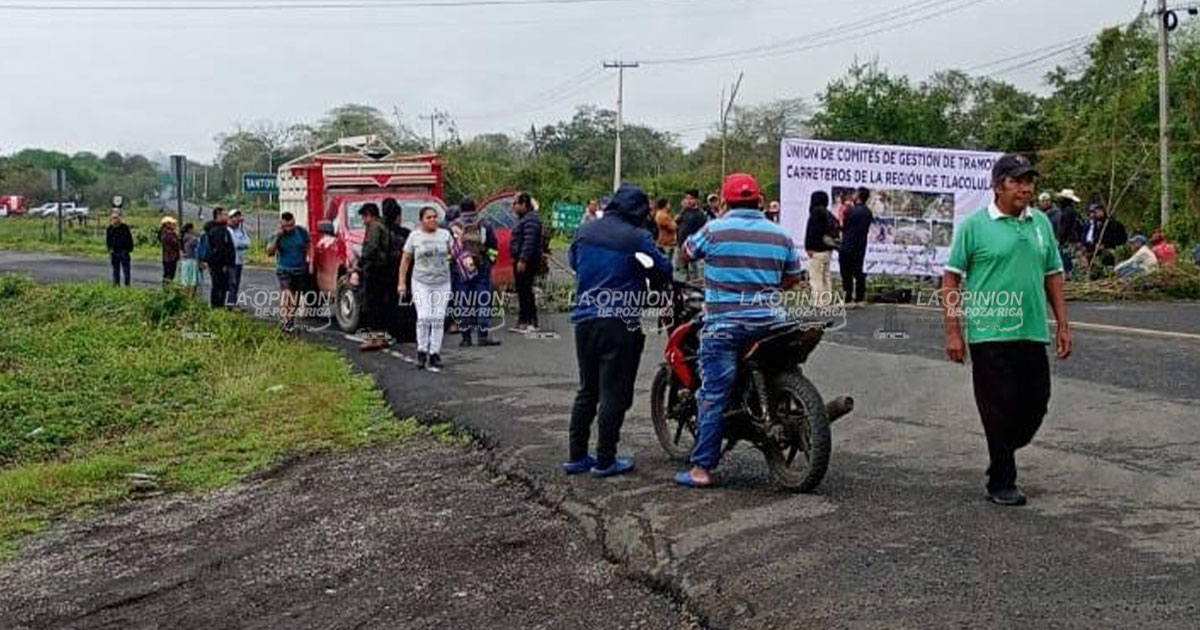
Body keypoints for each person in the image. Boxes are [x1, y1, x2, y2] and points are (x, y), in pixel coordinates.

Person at [942, 153, 1071, 507]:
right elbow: (951, 277)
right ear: (998, 186)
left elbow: (1053, 275)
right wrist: (953, 331)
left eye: (1029, 181)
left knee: (1036, 403)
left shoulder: (1041, 223)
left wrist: (1063, 324)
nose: (1026, 187)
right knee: (998, 407)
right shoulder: (975, 226)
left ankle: (1003, 449)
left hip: (1031, 331)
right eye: (1017, 181)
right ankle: (1001, 478)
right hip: (989, 332)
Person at [675, 173, 804, 488]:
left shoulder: (715, 229)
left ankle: (702, 469)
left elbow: (686, 253)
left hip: (725, 325)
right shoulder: (780, 234)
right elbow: (792, 278)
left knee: (713, 393)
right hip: (772, 323)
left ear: (724, 200)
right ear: (759, 201)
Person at [565, 184, 672, 478]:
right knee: (614, 391)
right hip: (620, 321)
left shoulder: (585, 231)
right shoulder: (636, 236)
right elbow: (663, 268)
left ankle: (576, 457)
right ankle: (605, 459)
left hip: (585, 319)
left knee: (588, 389)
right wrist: (643, 273)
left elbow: (576, 263)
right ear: (637, 210)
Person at [398, 207, 453, 371]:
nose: (433, 220)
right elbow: (406, 260)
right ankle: (422, 350)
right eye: (429, 217)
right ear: (421, 220)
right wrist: (401, 283)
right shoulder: (415, 236)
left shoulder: (445, 235)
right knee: (424, 316)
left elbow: (456, 253)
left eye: (435, 217)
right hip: (421, 282)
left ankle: (435, 352)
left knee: (438, 318)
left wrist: (465, 260)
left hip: (442, 281)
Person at [451, 197, 501, 347]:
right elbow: (493, 245)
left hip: (461, 268)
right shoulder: (484, 224)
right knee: (483, 300)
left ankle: (466, 338)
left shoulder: (454, 226)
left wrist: (453, 263)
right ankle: (482, 336)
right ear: (475, 208)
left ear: (460, 209)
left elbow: (450, 248)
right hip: (481, 265)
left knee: (462, 302)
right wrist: (491, 260)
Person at [267, 211, 311, 333]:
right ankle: (284, 319)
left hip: (300, 270)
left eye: (292, 225)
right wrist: (278, 237)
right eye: (287, 226)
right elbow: (270, 252)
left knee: (296, 300)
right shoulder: (277, 235)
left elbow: (308, 244)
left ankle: (289, 321)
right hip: (284, 270)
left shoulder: (301, 232)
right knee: (288, 295)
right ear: (281, 224)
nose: (290, 228)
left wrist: (309, 259)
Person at [357, 203, 392, 352]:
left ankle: (376, 338)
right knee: (380, 304)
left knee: (373, 304)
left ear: (369, 215)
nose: (363, 221)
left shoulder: (374, 227)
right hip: (382, 268)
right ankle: (381, 336)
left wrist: (361, 262)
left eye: (364, 217)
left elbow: (371, 247)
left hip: (375, 268)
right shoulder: (383, 225)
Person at [383, 198, 415, 344]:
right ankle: (408, 332)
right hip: (406, 271)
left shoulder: (381, 232)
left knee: (390, 301)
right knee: (407, 302)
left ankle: (393, 332)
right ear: (398, 217)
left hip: (387, 272)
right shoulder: (406, 233)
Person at [509, 192, 543, 333]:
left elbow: (529, 241)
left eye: (516, 204)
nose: (514, 207)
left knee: (525, 290)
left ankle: (530, 321)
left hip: (527, 261)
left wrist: (523, 259)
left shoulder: (531, 220)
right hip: (522, 258)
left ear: (524, 204)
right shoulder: (525, 219)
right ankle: (523, 320)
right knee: (523, 290)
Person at [804, 190, 840, 306]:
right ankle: (826, 300)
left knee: (815, 277)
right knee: (826, 276)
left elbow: (812, 232)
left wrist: (809, 247)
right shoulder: (828, 213)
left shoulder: (815, 213)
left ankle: (817, 302)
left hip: (817, 250)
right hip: (827, 250)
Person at [839, 187, 873, 306]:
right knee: (858, 271)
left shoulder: (850, 211)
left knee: (846, 273)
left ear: (858, 196)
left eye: (854, 194)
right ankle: (860, 298)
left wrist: (842, 213)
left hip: (848, 244)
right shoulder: (868, 212)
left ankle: (848, 298)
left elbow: (843, 226)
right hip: (860, 245)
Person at [202, 207, 236, 309]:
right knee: (219, 287)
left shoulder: (220, 229)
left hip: (217, 264)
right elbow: (220, 250)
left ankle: (217, 306)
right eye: (225, 214)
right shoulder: (218, 231)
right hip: (219, 265)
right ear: (218, 216)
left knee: (219, 286)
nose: (227, 217)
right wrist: (224, 264)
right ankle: (217, 307)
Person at [675, 189, 708, 282]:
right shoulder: (684, 212)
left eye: (691, 198)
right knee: (681, 273)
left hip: (693, 249)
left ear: (696, 200)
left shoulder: (700, 214)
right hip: (681, 246)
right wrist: (683, 210)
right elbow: (676, 222)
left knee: (695, 275)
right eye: (686, 198)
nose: (688, 201)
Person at [227, 209, 252, 308]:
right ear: (231, 218)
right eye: (235, 217)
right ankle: (230, 303)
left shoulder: (241, 230)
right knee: (231, 283)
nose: (237, 219)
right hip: (231, 260)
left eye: (238, 217)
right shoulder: (229, 230)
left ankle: (233, 302)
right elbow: (235, 243)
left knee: (236, 283)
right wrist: (242, 244)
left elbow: (248, 243)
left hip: (239, 260)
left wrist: (241, 244)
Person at [105, 210, 134, 287]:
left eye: (116, 218)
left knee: (126, 270)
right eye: (113, 218)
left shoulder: (125, 227)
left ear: (120, 218)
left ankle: (127, 285)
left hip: (124, 251)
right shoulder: (110, 228)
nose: (115, 220)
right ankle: (116, 285)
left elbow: (129, 239)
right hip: (114, 252)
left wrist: (129, 249)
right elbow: (108, 240)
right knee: (115, 270)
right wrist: (109, 249)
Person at [179, 223, 201, 299]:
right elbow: (198, 249)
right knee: (193, 282)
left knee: (186, 282)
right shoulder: (193, 239)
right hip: (192, 261)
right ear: (190, 229)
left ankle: (186, 299)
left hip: (184, 261)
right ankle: (191, 299)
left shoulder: (182, 238)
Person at [160, 216, 180, 285]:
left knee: (168, 275)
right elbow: (175, 243)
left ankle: (167, 289)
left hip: (168, 257)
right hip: (170, 257)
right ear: (167, 224)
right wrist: (175, 234)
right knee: (169, 275)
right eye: (172, 224)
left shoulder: (164, 233)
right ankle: (167, 290)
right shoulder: (168, 234)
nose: (174, 225)